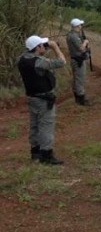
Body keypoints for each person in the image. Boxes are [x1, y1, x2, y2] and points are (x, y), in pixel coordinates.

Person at [17, 35, 66, 165]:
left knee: (34, 125)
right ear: (37, 47)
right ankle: (46, 155)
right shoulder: (39, 62)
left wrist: (44, 48)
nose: (45, 46)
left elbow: (35, 56)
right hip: (44, 99)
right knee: (46, 126)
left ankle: (35, 152)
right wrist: (55, 48)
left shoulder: (21, 60)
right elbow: (61, 62)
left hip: (32, 97)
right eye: (42, 45)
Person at [66, 18, 91, 106]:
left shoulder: (72, 35)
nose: (81, 27)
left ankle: (78, 98)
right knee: (79, 79)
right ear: (76, 26)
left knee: (77, 78)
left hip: (76, 59)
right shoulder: (73, 36)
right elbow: (81, 48)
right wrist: (85, 42)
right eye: (80, 25)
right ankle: (81, 99)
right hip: (78, 60)